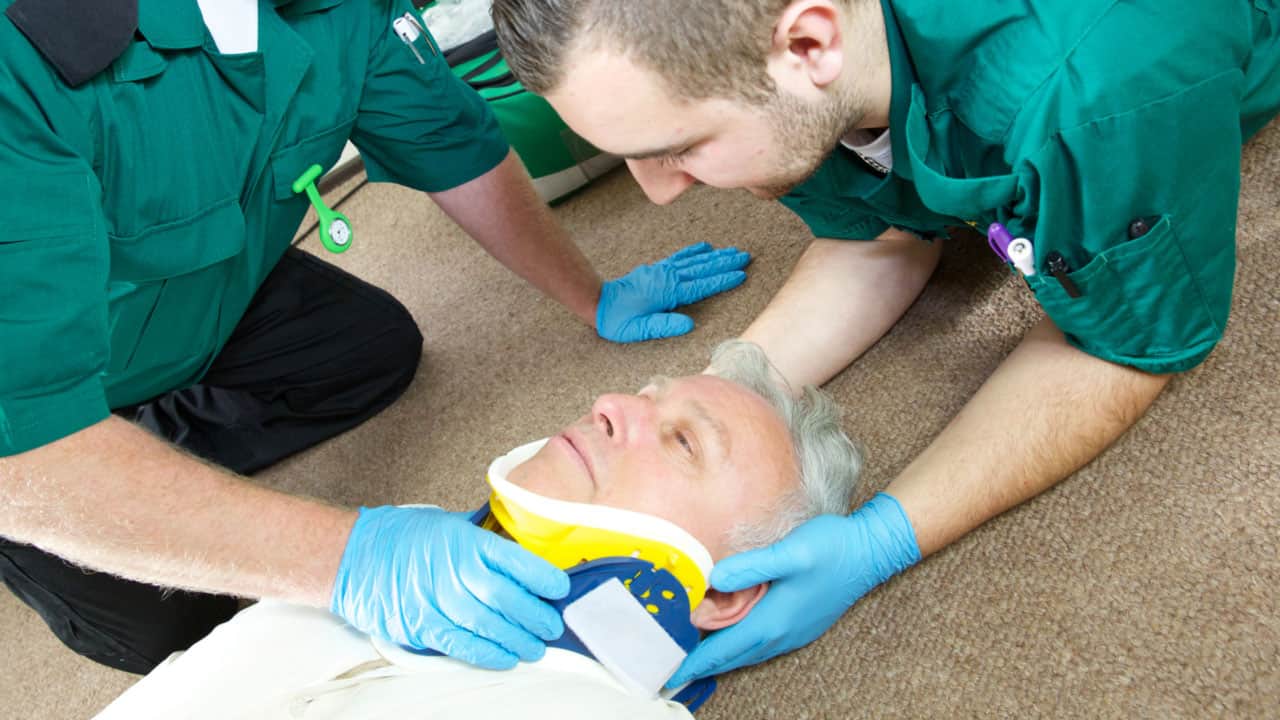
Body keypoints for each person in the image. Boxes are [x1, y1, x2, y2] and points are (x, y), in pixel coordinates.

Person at [489, 0, 1280, 686]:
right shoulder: (802, 65)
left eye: (678, 145)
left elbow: (1117, 346)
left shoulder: (1094, 87)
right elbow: (881, 237)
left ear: (809, 45)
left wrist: (883, 540)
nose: (659, 192)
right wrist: (689, 412)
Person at [0, 0, 752, 676]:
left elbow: (455, 145)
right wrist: (350, 557)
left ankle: (121, 439)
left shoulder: (343, 11)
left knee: (373, 351)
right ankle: (75, 462)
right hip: (24, 390)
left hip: (195, 300)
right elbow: (22, 452)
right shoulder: (21, 54)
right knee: (171, 617)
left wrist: (591, 296)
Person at [91, 340, 861, 719]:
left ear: (726, 596)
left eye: (683, 442)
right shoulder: (403, 539)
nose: (610, 402)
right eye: (645, 396)